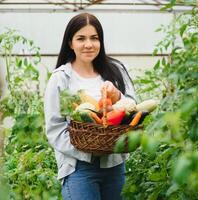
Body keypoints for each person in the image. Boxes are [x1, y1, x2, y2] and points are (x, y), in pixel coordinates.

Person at [44, 12, 136, 200]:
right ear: (70, 43)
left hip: (114, 165)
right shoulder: (60, 79)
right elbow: (54, 129)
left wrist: (117, 95)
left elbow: (135, 108)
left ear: (101, 41)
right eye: (81, 38)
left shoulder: (116, 70)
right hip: (79, 168)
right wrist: (88, 148)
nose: (88, 44)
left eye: (94, 38)